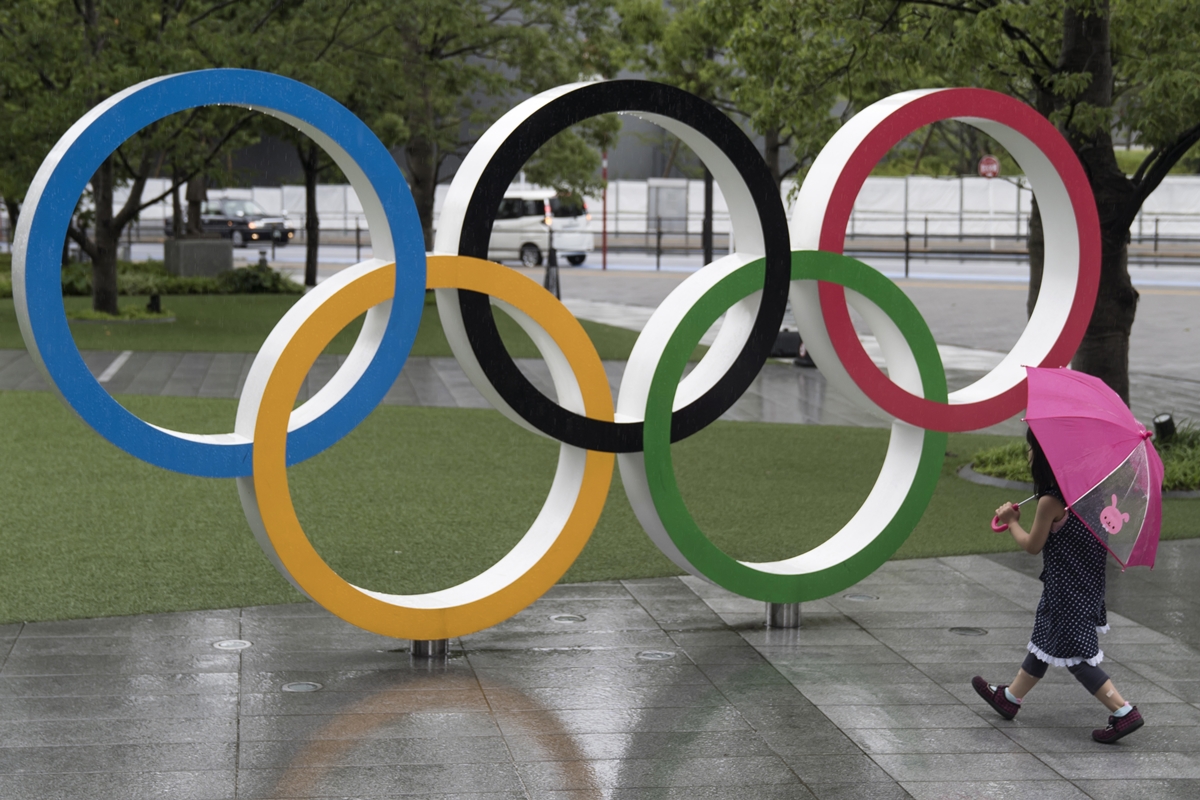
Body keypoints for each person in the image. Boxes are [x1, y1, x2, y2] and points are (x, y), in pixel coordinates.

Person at [971, 427, 1144, 743]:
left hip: (1066, 593)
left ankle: (1123, 712)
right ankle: (1009, 698)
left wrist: (1010, 522)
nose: (1028, 454)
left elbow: (1032, 545)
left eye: (1031, 448)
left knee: (1077, 656)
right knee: (1046, 641)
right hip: (1084, 587)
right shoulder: (1090, 493)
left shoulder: (1051, 502)